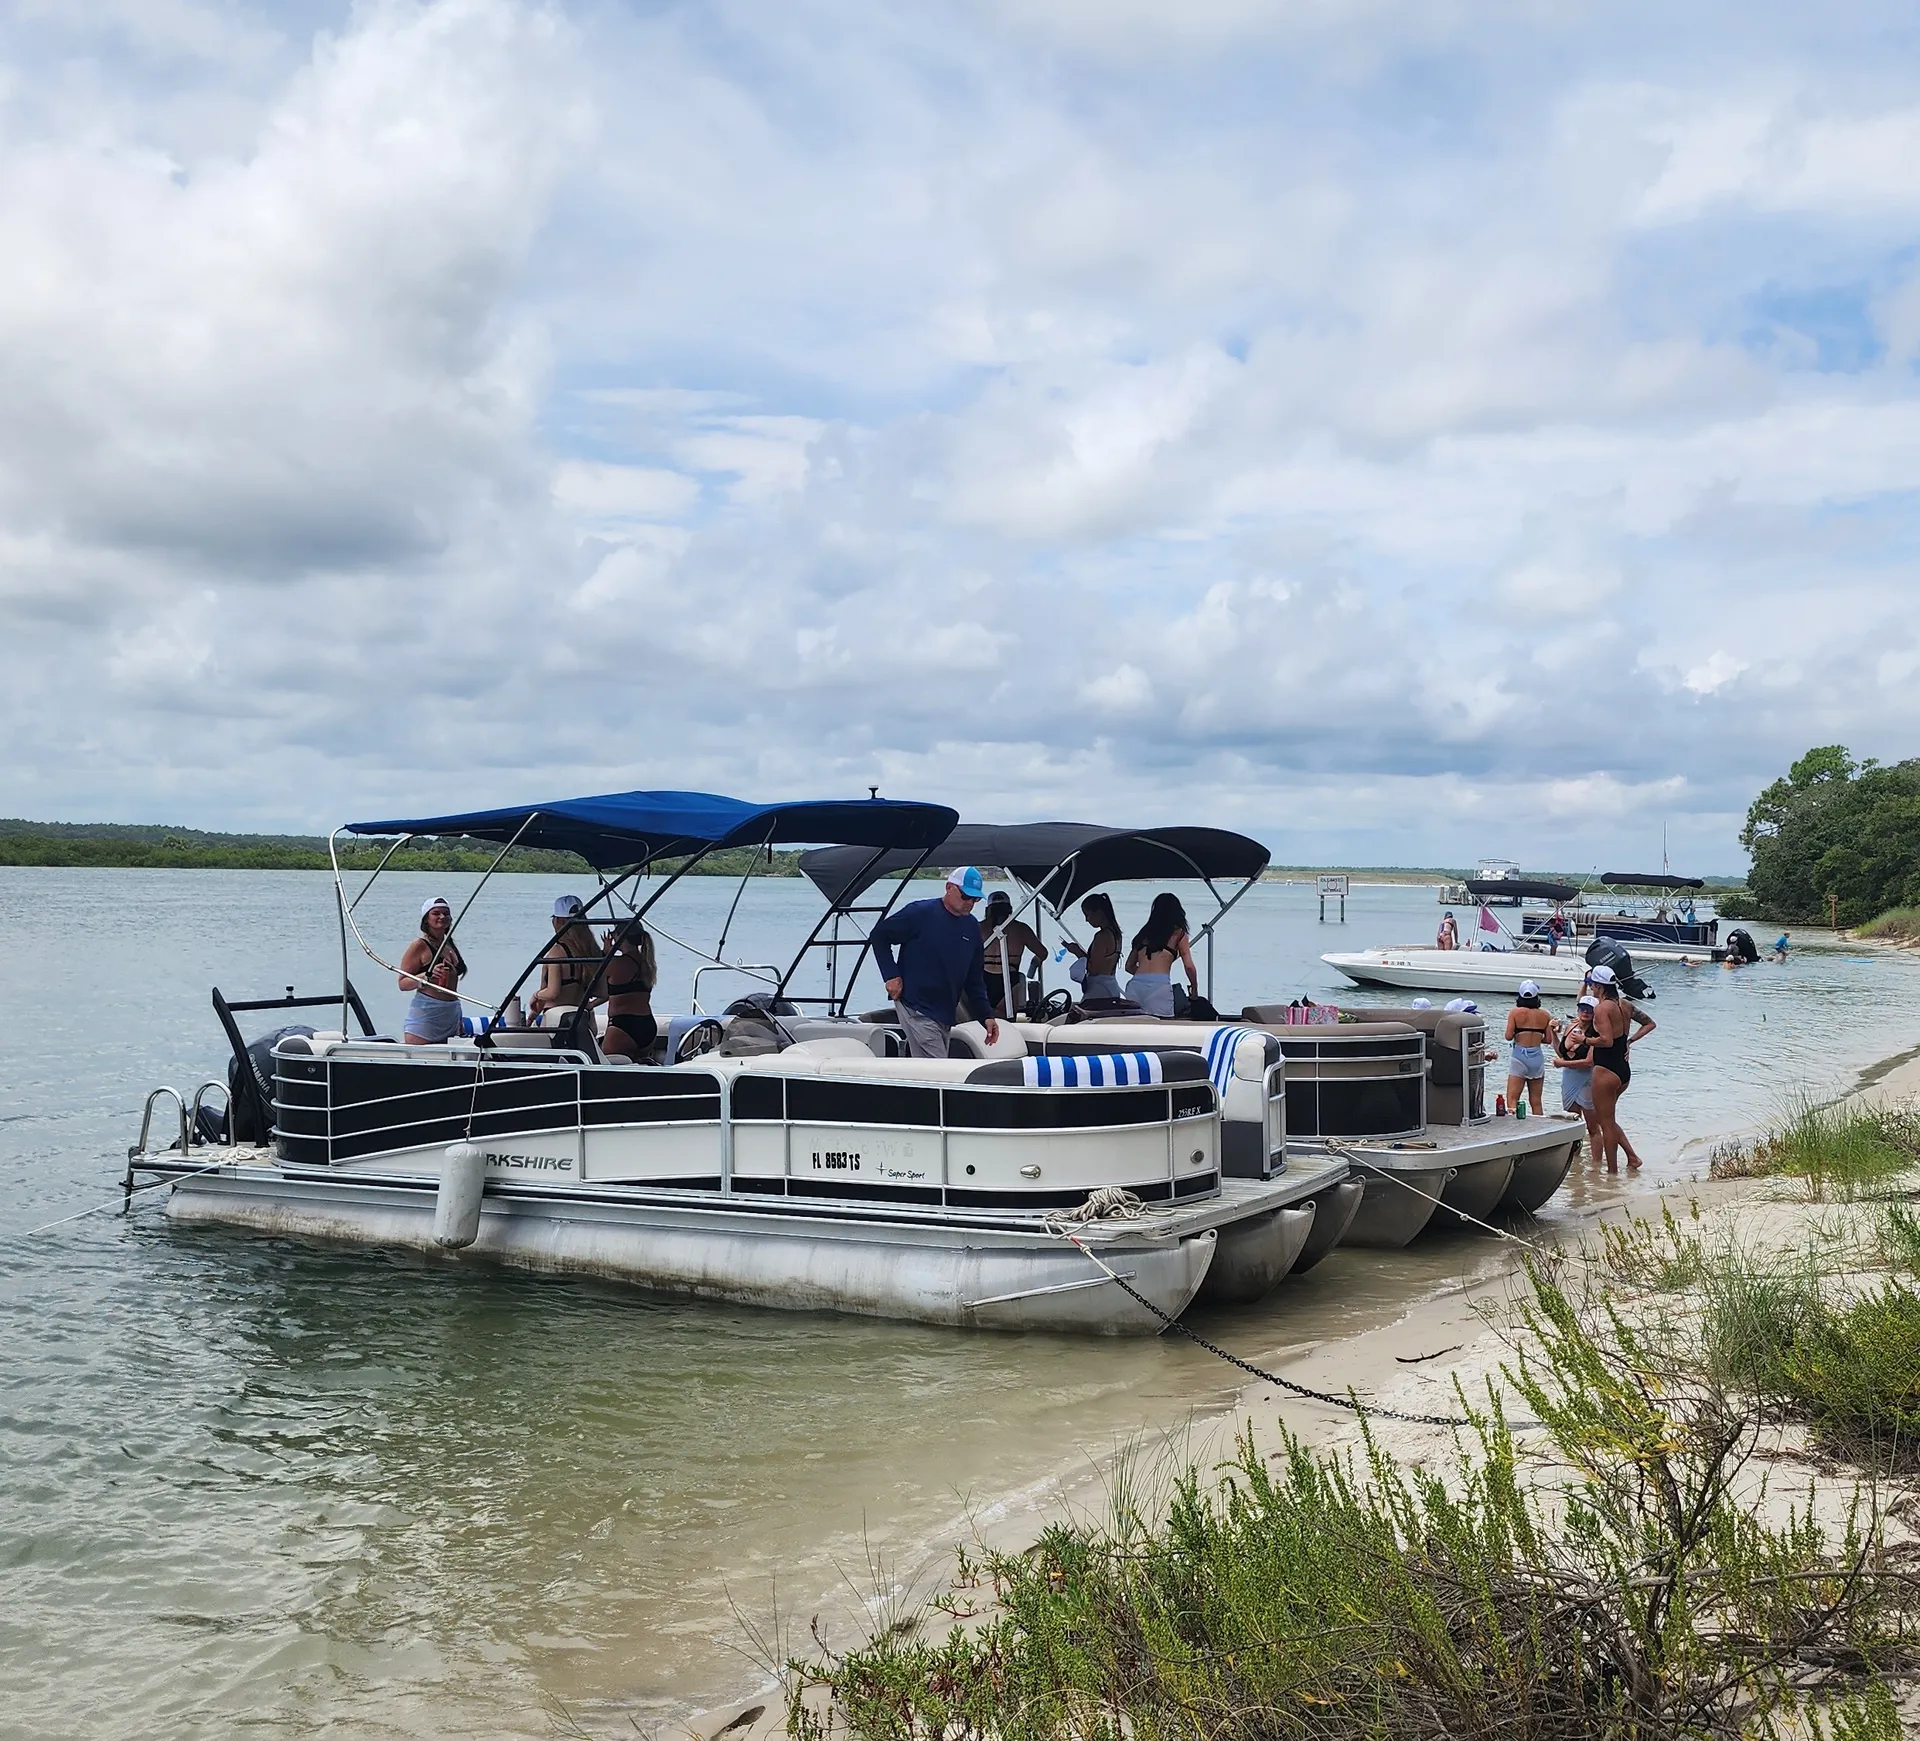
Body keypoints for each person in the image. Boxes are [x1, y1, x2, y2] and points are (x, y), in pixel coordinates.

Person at [870, 866, 1000, 1058]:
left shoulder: (972, 927)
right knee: (938, 1069)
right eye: (965, 896)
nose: (970, 903)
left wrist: (986, 1016)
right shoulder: (920, 913)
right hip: (917, 1006)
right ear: (949, 888)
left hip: (945, 1013)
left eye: (975, 899)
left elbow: (974, 980)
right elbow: (879, 936)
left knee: (929, 1070)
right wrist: (891, 975)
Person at [1586, 964, 1655, 1171]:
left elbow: (1606, 1041)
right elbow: (1650, 1023)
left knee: (1605, 1124)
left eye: (1592, 985)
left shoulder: (1601, 1008)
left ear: (1599, 986)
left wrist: (1584, 1040)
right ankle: (1632, 1158)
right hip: (1623, 1070)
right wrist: (1629, 1041)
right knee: (1606, 1119)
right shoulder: (1625, 1004)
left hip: (1605, 1069)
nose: (1591, 988)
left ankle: (1612, 1173)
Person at [399, 896, 467, 1044]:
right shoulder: (419, 945)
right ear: (426, 919)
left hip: (451, 1012)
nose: (442, 917)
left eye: (446, 913)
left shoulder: (448, 943)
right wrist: (427, 975)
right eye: (436, 913)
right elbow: (402, 984)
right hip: (428, 1014)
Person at [1125, 893, 1199, 1018]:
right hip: (1159, 986)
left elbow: (1129, 966)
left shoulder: (1143, 934)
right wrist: (1194, 988)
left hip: (1135, 984)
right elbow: (1189, 966)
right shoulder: (1178, 934)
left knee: (1135, 1027)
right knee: (1163, 1025)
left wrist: (1145, 977)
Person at [597, 916, 659, 1060]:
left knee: (607, 1069)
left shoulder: (616, 964)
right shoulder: (647, 963)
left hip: (622, 1026)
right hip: (647, 1026)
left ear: (620, 937)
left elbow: (596, 987)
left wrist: (605, 954)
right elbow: (620, 992)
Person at [531, 894, 600, 1023]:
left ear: (556, 921)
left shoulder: (556, 952)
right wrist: (590, 1005)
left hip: (558, 1021)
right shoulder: (593, 951)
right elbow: (603, 993)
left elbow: (552, 992)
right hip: (584, 1019)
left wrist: (535, 996)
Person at [1552, 993, 1603, 1157]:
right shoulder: (1570, 1027)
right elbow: (1561, 1052)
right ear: (1578, 1009)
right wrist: (1552, 1033)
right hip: (1568, 1078)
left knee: (1592, 1126)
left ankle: (1596, 1166)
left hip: (1586, 1079)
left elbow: (1589, 1062)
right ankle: (1574, 1164)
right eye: (1582, 1009)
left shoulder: (1596, 1034)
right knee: (1571, 1123)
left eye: (1589, 1010)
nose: (1585, 1013)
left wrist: (1562, 1064)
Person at [979, 891, 1045, 1018]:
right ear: (1009, 908)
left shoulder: (979, 928)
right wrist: (1033, 966)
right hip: (1010, 978)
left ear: (988, 909)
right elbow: (1042, 953)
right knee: (1006, 1020)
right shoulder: (1021, 929)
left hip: (983, 978)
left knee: (981, 1019)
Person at [1062, 893, 1125, 1002]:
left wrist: (1078, 952)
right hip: (1111, 985)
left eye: (1088, 915)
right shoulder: (1116, 933)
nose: (1087, 920)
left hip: (1099, 989)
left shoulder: (1102, 936)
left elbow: (1094, 969)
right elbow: (1100, 962)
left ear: (1099, 912)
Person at [1504, 980, 1555, 1116]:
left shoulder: (1515, 1013)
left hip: (1520, 1055)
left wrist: (1520, 1034)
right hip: (1537, 1057)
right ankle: (1539, 1130)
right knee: (1536, 1100)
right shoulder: (1545, 1015)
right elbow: (1549, 1039)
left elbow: (1508, 1036)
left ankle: (1514, 1128)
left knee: (1512, 1098)